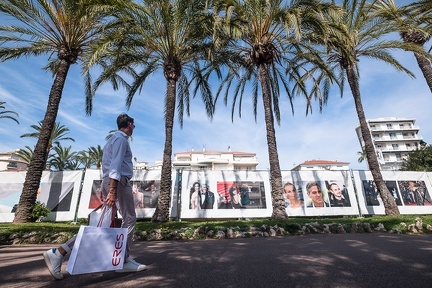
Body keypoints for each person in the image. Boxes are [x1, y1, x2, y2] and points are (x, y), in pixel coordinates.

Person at [43, 113, 146, 280]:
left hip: (112, 183)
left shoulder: (112, 140)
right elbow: (115, 167)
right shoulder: (121, 139)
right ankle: (123, 260)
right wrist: (112, 191)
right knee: (129, 219)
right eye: (133, 125)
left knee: (102, 226)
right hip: (118, 183)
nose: (134, 127)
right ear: (128, 124)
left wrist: (110, 188)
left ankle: (59, 252)